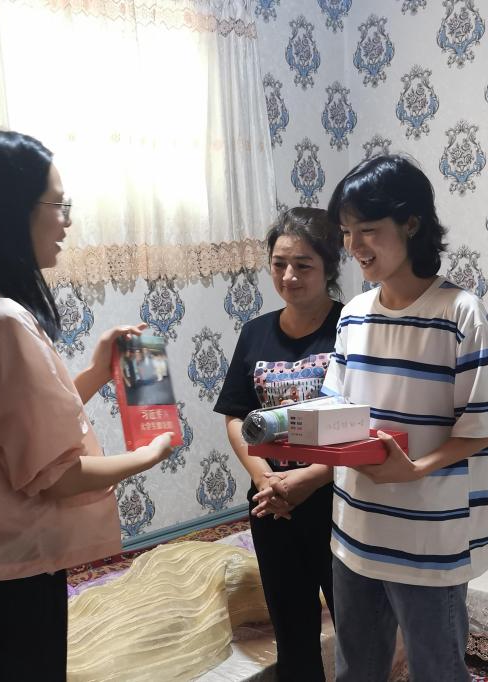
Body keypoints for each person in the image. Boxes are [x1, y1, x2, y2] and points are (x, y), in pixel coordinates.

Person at [0, 130, 173, 681]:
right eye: (58, 205)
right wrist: (147, 455)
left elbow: (14, 428)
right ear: (14, 213)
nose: (66, 222)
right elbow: (55, 475)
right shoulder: (1, 320)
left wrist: (96, 374)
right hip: (6, 583)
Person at [261, 154, 488, 681]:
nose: (354, 246)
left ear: (411, 223)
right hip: (356, 531)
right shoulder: (353, 314)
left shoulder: (460, 314)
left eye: (367, 230)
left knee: (438, 671)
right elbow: (338, 414)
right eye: (347, 232)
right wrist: (291, 449)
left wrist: (412, 470)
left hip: (430, 536)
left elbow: (479, 429)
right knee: (357, 670)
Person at [213, 207, 344, 681]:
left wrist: (310, 479)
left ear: (329, 266)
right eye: (279, 263)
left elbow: (369, 422)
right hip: (272, 504)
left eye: (303, 265)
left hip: (339, 501)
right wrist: (265, 479)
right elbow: (235, 416)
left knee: (356, 628)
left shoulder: (352, 327)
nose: (289, 276)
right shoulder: (255, 332)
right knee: (292, 631)